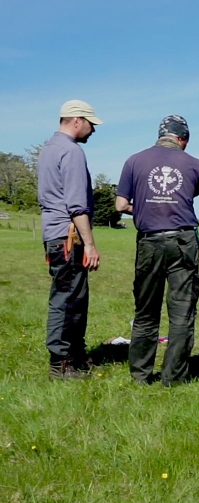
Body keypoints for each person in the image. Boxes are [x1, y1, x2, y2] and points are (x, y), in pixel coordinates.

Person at [115, 114, 199, 387]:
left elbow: (121, 205)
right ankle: (174, 378)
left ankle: (140, 377)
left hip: (148, 241)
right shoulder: (194, 164)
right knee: (181, 312)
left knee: (146, 311)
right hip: (183, 243)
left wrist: (144, 208)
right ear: (183, 139)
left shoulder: (134, 161)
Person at [37, 99, 103, 380]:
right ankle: (62, 365)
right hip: (68, 236)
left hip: (52, 234)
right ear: (77, 120)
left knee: (73, 297)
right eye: (91, 124)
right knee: (68, 300)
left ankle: (75, 357)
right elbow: (77, 204)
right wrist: (89, 243)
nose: (92, 130)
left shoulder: (48, 149)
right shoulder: (71, 152)